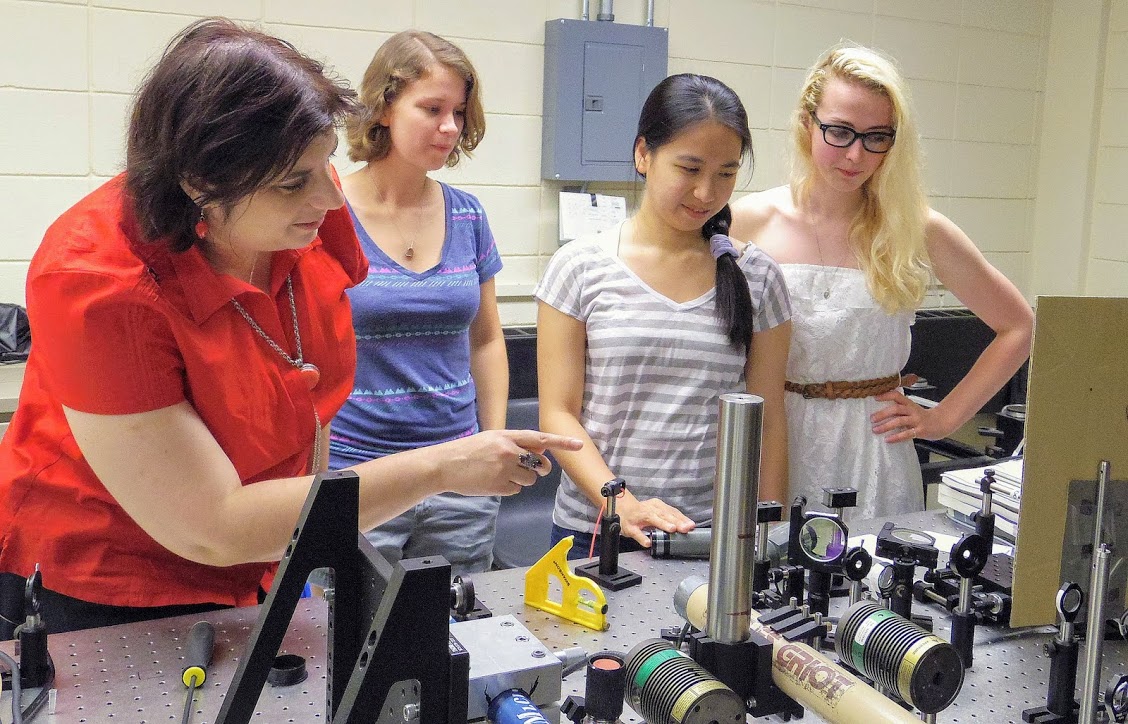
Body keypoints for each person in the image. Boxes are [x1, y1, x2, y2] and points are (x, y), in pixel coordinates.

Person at [0, 18, 579, 636]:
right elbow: (212, 525)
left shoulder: (305, 221)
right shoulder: (98, 281)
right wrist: (440, 468)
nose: (331, 203)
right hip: (125, 581)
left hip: (274, 549)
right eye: (293, 182)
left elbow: (314, 407)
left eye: (325, 165)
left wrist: (304, 536)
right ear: (200, 183)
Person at [731, 44, 1033, 521]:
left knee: (873, 587)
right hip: (772, 440)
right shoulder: (746, 222)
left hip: (873, 453)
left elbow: (1018, 326)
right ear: (807, 123)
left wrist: (943, 419)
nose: (856, 154)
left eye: (877, 137)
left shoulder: (917, 228)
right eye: (840, 131)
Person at [536, 74, 792, 556]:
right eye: (689, 168)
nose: (705, 192)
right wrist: (622, 503)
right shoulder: (580, 267)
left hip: (712, 535)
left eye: (725, 173)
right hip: (596, 531)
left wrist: (768, 532)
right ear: (643, 155)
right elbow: (558, 412)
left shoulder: (758, 277)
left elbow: (770, 418)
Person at [329, 31, 507, 575]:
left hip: (459, 475)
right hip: (360, 472)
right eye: (432, 109)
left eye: (458, 112)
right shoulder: (327, 210)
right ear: (384, 107)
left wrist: (492, 442)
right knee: (350, 637)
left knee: (458, 635)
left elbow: (486, 338)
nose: (449, 128)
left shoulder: (468, 214)